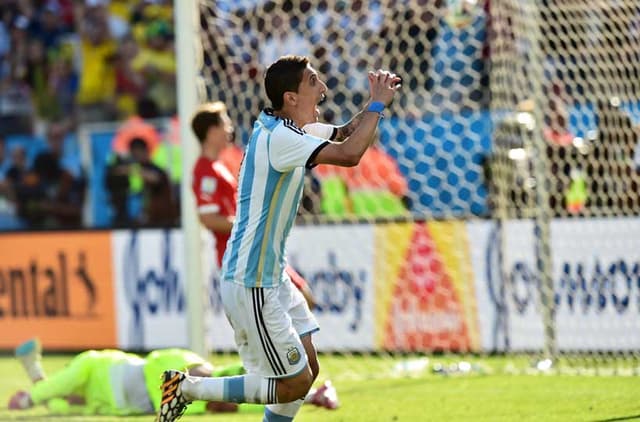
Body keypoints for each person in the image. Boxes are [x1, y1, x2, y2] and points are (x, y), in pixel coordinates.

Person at [158, 55, 400, 422]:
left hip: (273, 276)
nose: (324, 88)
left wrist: (374, 102)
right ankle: (188, 388)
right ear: (291, 97)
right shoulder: (281, 139)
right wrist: (378, 106)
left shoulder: (290, 130)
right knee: (293, 383)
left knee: (308, 370)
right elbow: (350, 155)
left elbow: (348, 134)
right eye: (314, 82)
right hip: (251, 279)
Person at [8, 338, 338, 416]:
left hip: (153, 370)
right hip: (150, 397)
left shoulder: (91, 362)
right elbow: (61, 399)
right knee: (220, 402)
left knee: (211, 382)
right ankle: (306, 395)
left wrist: (30, 398)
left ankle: (297, 387)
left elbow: (60, 385)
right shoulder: (88, 407)